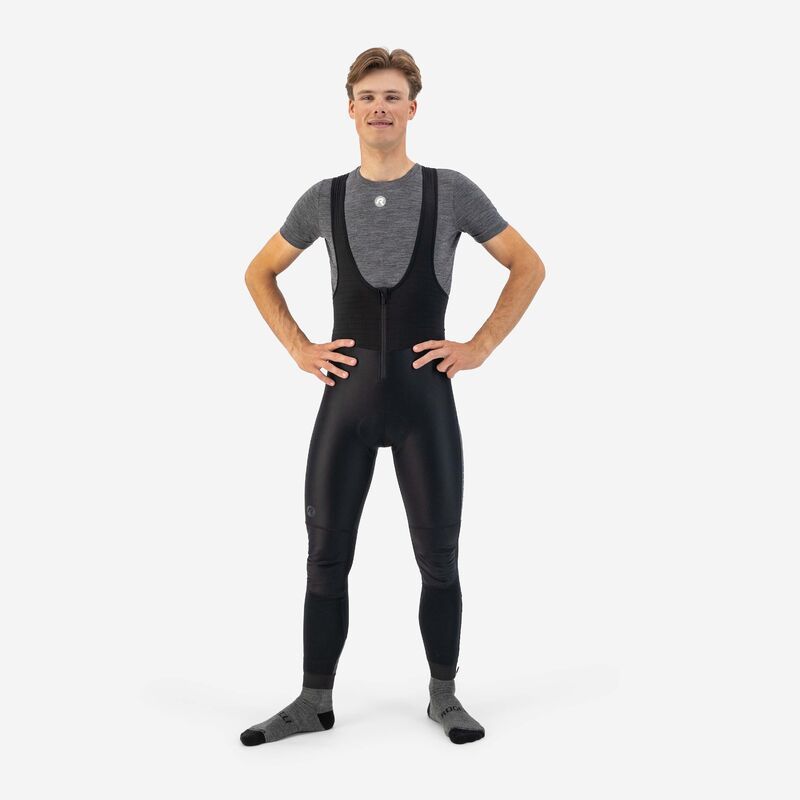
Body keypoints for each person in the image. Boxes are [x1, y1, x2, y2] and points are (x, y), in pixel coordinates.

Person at [241, 47, 545, 745]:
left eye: (392, 97)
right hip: (344, 404)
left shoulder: (451, 191)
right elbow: (259, 272)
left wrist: (480, 346)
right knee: (325, 558)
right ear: (350, 109)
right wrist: (298, 347)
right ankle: (314, 702)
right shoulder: (323, 199)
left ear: (413, 108)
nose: (380, 108)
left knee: (439, 557)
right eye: (368, 97)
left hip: (423, 405)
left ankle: (445, 697)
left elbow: (527, 265)